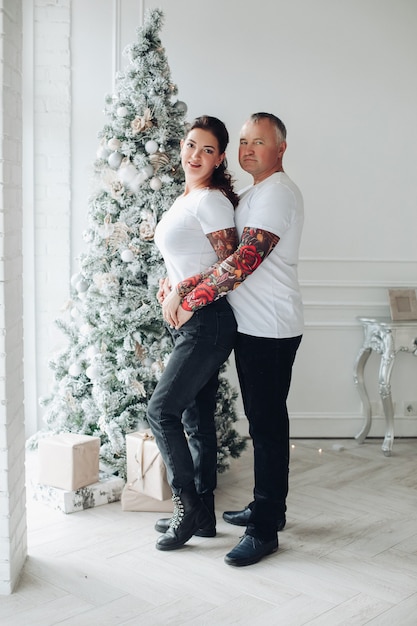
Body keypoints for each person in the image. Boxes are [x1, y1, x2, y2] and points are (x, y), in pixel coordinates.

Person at [162, 112, 304, 566]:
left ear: (280, 148)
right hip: (249, 324)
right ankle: (270, 510)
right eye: (243, 141)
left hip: (271, 326)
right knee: (262, 422)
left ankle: (264, 531)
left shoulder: (278, 193)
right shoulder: (253, 194)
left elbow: (244, 261)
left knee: (266, 426)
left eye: (257, 142)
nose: (247, 149)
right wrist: (183, 286)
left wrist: (189, 297)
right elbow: (216, 257)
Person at [147, 115, 239, 551]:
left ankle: (186, 507)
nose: (195, 155)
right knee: (194, 418)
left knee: (161, 411)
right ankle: (202, 516)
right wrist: (172, 284)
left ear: (219, 158)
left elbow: (230, 267)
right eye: (190, 145)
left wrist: (184, 293)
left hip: (209, 322)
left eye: (207, 149)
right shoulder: (185, 199)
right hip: (191, 322)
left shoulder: (212, 201)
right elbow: (187, 259)